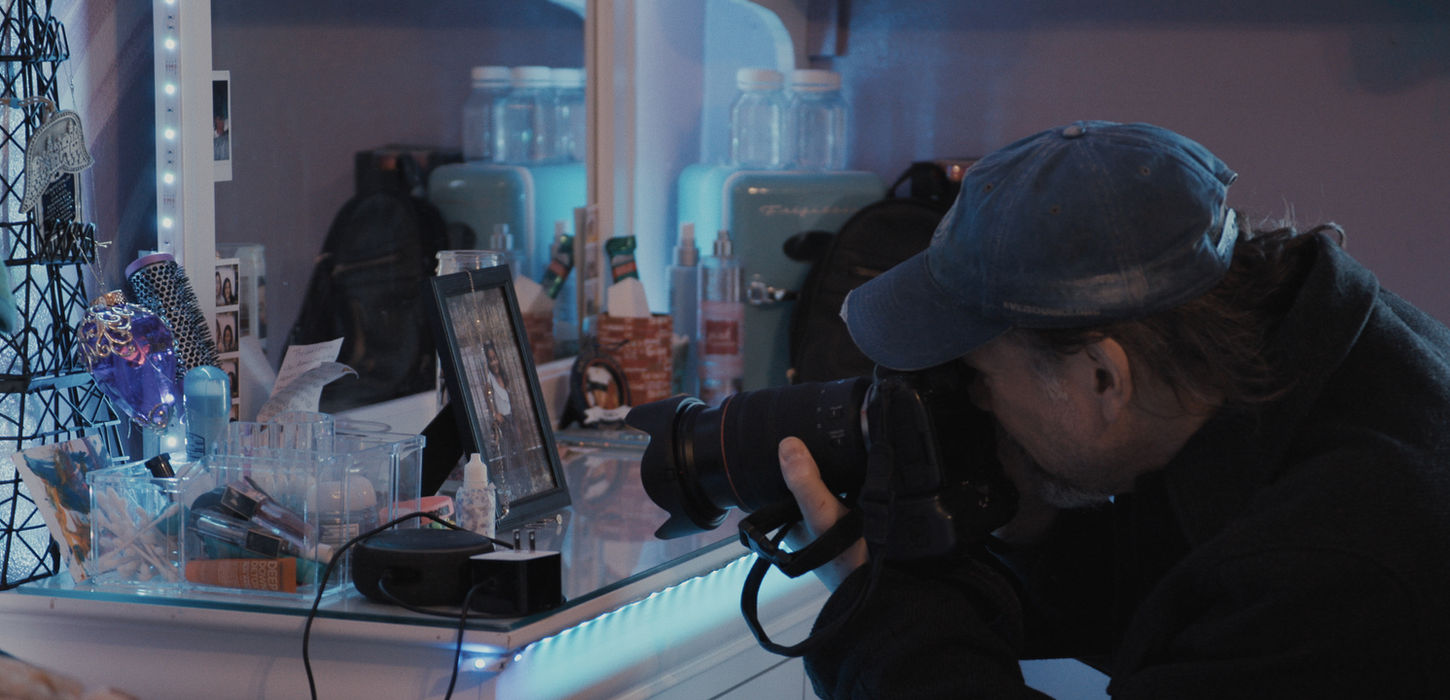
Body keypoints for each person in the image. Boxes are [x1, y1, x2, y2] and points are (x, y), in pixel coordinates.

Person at [778, 121, 1450, 698]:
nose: (976, 401)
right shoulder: (1315, 362)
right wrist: (1031, 525)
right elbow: (1182, 597)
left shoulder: (1339, 566)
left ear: (1103, 377)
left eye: (981, 375)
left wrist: (877, 613)